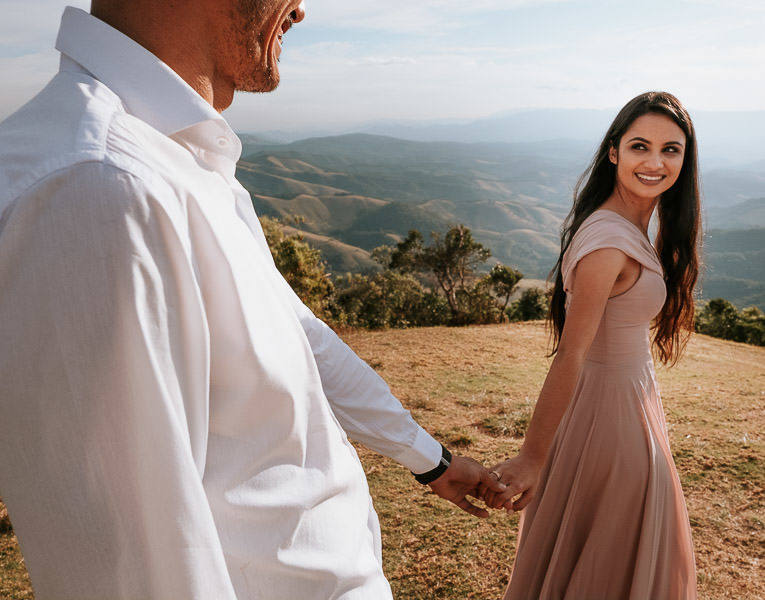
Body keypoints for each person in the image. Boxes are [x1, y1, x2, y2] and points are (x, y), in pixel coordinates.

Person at [0, 2, 504, 599]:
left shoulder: (176, 155)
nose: (301, 9)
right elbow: (135, 569)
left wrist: (431, 460)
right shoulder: (100, 185)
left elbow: (302, 340)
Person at [482, 91, 701, 599]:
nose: (655, 161)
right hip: (610, 420)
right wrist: (533, 457)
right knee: (612, 558)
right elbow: (572, 353)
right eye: (640, 146)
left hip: (628, 405)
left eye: (671, 149)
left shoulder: (632, 225)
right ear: (614, 152)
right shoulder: (607, 242)